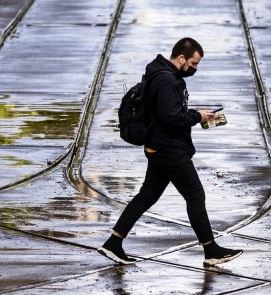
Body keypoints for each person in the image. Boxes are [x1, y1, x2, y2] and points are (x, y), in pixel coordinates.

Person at [99, 38, 243, 267]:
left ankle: (113, 243)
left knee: (147, 196)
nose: (195, 68)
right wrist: (198, 117)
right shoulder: (166, 80)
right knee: (195, 196)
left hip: (160, 147)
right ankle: (211, 250)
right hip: (169, 150)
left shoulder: (162, 75)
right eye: (193, 63)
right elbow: (171, 118)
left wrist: (197, 114)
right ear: (182, 58)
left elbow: (168, 113)